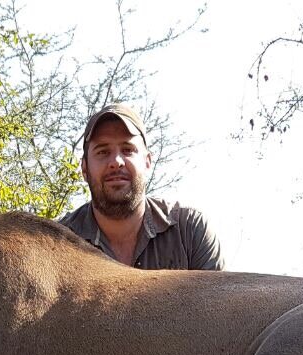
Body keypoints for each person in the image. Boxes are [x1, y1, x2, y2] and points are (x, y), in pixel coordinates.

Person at [60, 103, 224, 270]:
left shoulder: (190, 231)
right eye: (102, 152)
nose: (116, 162)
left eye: (128, 149)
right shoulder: (56, 242)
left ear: (147, 162)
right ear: (84, 168)